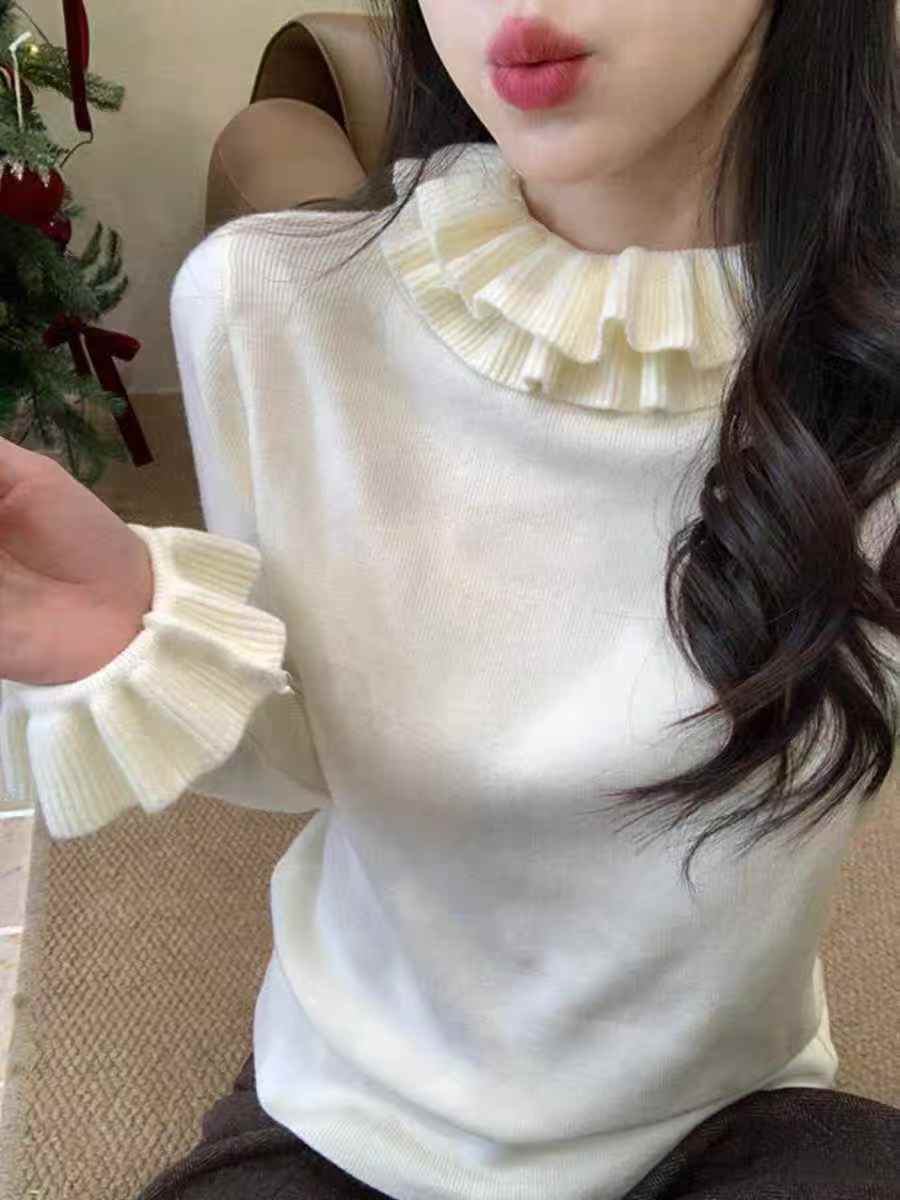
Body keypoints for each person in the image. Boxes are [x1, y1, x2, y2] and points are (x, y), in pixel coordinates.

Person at [1, 0, 898, 1197]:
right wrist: (135, 628)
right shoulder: (270, 304)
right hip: (355, 1110)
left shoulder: (873, 356)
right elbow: (306, 757)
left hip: (731, 1113)